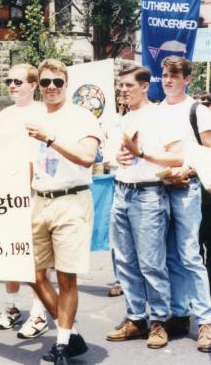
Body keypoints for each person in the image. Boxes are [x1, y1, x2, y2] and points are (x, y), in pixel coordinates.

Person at [25, 59, 102, 364]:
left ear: (66, 84)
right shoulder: (33, 118)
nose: (52, 88)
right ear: (39, 86)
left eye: (58, 82)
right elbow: (27, 163)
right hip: (40, 200)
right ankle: (70, 335)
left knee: (66, 278)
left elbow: (87, 157)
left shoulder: (82, 116)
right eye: (46, 83)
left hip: (71, 200)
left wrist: (51, 138)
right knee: (31, 272)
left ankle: (60, 345)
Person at [105, 66, 184, 349]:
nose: (124, 90)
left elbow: (177, 157)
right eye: (121, 86)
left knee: (152, 262)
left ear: (145, 86)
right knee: (125, 262)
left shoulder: (161, 116)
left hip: (149, 194)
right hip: (121, 191)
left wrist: (143, 154)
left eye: (129, 85)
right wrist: (118, 157)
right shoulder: (120, 119)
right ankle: (136, 318)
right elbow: (113, 157)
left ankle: (159, 321)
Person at [0, 63, 50, 339]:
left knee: (37, 257)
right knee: (10, 252)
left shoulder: (43, 113)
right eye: (9, 80)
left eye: (18, 81)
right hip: (8, 194)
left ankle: (39, 313)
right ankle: (12, 308)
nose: (11, 85)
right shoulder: (2, 116)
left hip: (36, 192)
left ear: (33, 85)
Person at [156, 56, 211, 352]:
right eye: (165, 75)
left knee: (190, 254)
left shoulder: (198, 110)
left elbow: (208, 153)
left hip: (187, 188)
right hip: (161, 188)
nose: (168, 80)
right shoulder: (155, 111)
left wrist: (188, 171)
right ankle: (179, 313)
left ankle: (205, 321)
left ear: (187, 79)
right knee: (170, 256)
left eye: (175, 76)